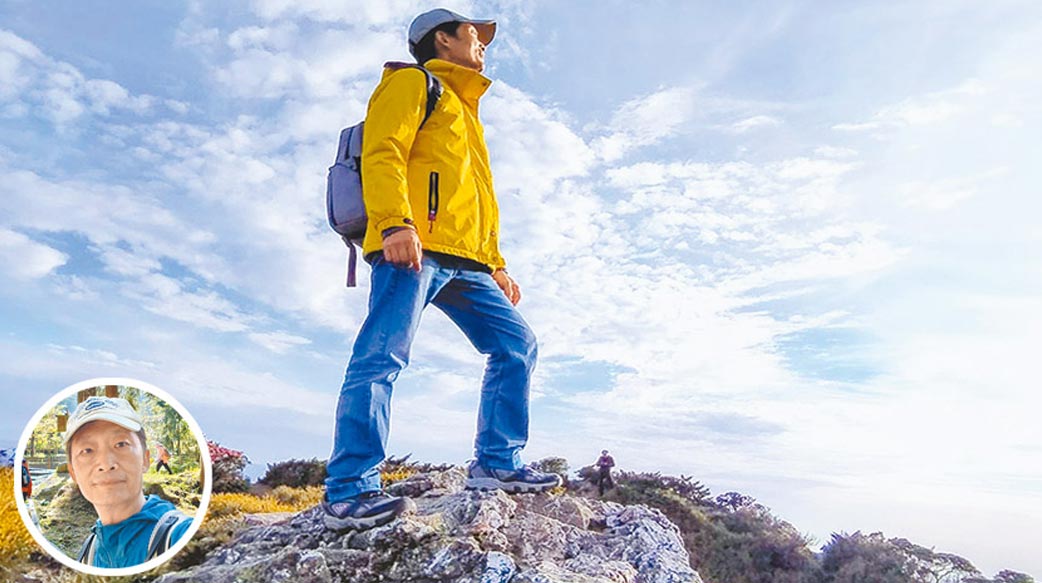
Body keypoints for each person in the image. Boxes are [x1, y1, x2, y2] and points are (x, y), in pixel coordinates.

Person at [323, 7, 560, 532]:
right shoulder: (412, 83)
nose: (483, 45)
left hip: (468, 260)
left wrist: (496, 263)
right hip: (411, 246)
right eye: (474, 35)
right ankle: (349, 489)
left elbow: (477, 200)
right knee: (381, 356)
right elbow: (383, 151)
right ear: (444, 40)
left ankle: (497, 463)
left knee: (517, 344)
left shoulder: (464, 108)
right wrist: (393, 224)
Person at [64, 396, 193, 568]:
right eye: (87, 450)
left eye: (121, 444)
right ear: (72, 472)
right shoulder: (89, 554)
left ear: (145, 459)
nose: (106, 464)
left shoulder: (182, 537)